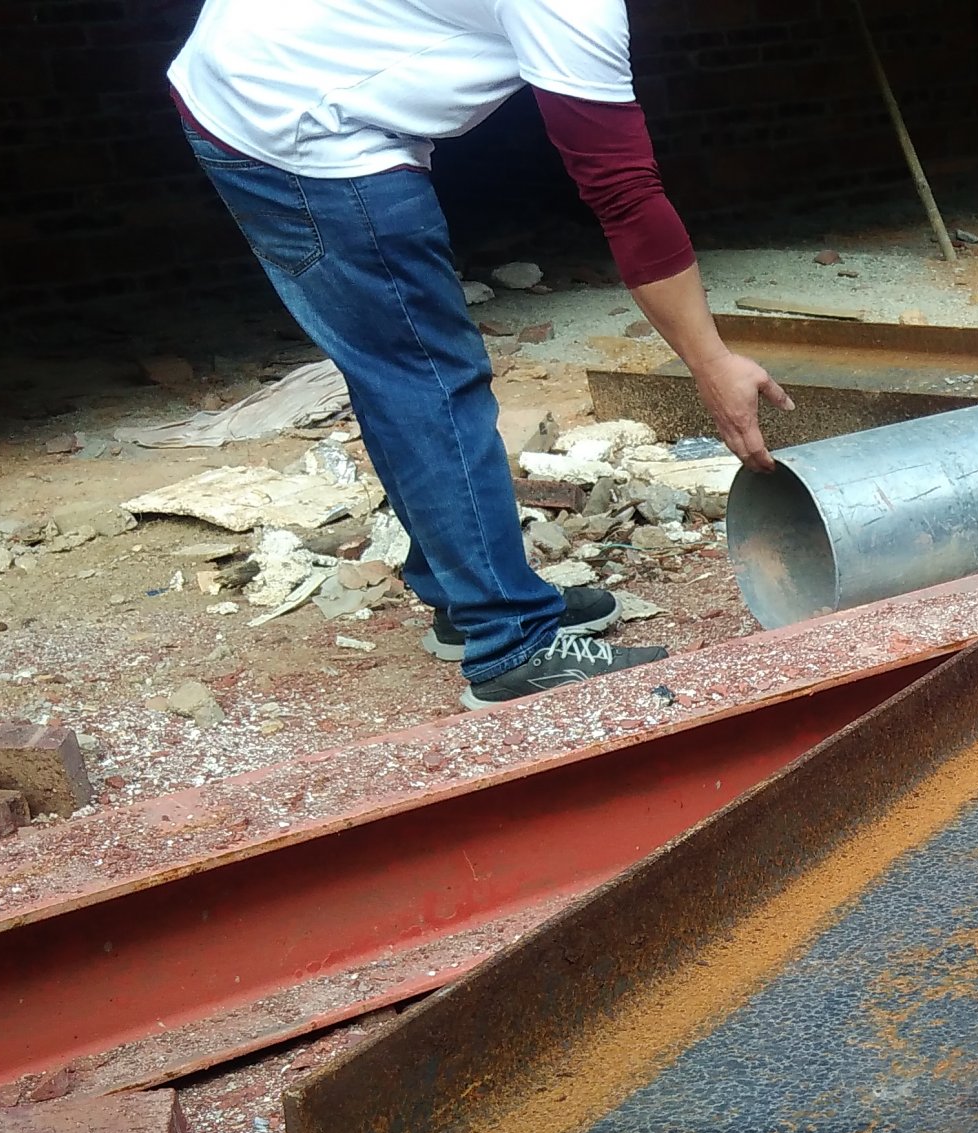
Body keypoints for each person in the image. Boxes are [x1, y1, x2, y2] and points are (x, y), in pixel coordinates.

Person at [168, 0, 791, 705]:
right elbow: (623, 192)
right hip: (292, 118)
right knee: (428, 375)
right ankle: (510, 642)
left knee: (394, 367)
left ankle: (465, 598)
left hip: (250, 80)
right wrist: (711, 361)